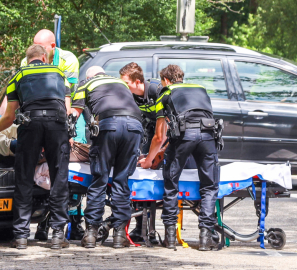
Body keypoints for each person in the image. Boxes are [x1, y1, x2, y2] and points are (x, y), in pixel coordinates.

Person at [0, 44, 71, 250]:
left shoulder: (18, 76)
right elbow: (67, 107)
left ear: (28, 60)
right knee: (59, 177)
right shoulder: (59, 73)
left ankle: (20, 236)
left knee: (24, 177)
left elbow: (9, 116)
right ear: (44, 58)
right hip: (57, 124)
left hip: (30, 124)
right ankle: (57, 234)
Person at [139, 64, 219, 251]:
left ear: (166, 80)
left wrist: (150, 159)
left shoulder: (165, 92)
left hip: (184, 136)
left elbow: (159, 136)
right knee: (209, 186)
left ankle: (170, 238)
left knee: (171, 184)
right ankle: (205, 238)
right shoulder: (201, 90)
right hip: (208, 136)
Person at [70, 66, 143, 249]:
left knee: (100, 179)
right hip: (134, 126)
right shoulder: (120, 84)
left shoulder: (85, 84)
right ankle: (119, 235)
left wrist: (67, 136)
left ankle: (91, 234)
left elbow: (74, 113)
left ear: (89, 76)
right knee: (121, 180)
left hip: (108, 125)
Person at [119, 62, 162, 244]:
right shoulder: (129, 96)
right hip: (147, 134)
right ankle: (140, 226)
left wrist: (160, 151)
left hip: (162, 133)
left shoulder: (155, 91)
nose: (123, 87)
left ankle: (155, 228)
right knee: (139, 178)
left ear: (137, 82)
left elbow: (165, 124)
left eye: (125, 83)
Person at [20, 29, 80, 95]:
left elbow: (64, 89)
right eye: (35, 48)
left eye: (42, 48)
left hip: (65, 103)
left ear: (53, 46)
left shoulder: (68, 59)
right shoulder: (26, 61)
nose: (37, 53)